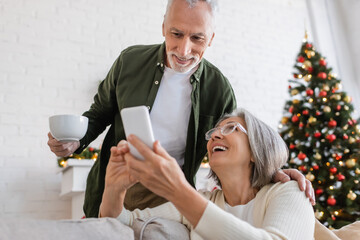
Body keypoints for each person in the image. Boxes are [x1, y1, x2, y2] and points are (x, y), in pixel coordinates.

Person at [47, 0, 313, 217]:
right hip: (114, 183)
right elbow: (98, 115)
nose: (184, 49)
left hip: (170, 193)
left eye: (197, 38)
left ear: (211, 39)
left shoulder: (219, 89)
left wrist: (270, 173)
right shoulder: (129, 61)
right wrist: (76, 141)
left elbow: (236, 146)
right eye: (176, 34)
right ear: (163, 27)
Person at [100, 108, 315, 239]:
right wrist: (113, 188)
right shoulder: (204, 200)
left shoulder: (289, 191)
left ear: (256, 149)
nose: (215, 136)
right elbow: (124, 224)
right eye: (213, 132)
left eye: (231, 128)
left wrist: (179, 190)